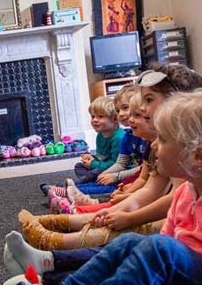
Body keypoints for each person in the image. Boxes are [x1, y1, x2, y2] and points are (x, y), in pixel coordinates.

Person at [8, 91, 202, 285]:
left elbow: (162, 250)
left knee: (157, 246)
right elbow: (159, 248)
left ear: (196, 156)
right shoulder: (185, 194)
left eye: (163, 140)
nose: (154, 146)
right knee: (132, 242)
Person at [19, 64, 202, 251]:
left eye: (148, 100)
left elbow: (166, 200)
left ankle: (60, 241)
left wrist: (128, 215)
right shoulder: (158, 146)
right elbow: (150, 189)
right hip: (174, 230)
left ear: (176, 100)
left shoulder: (182, 149)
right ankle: (71, 220)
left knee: (134, 237)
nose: (142, 109)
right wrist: (117, 211)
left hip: (180, 240)